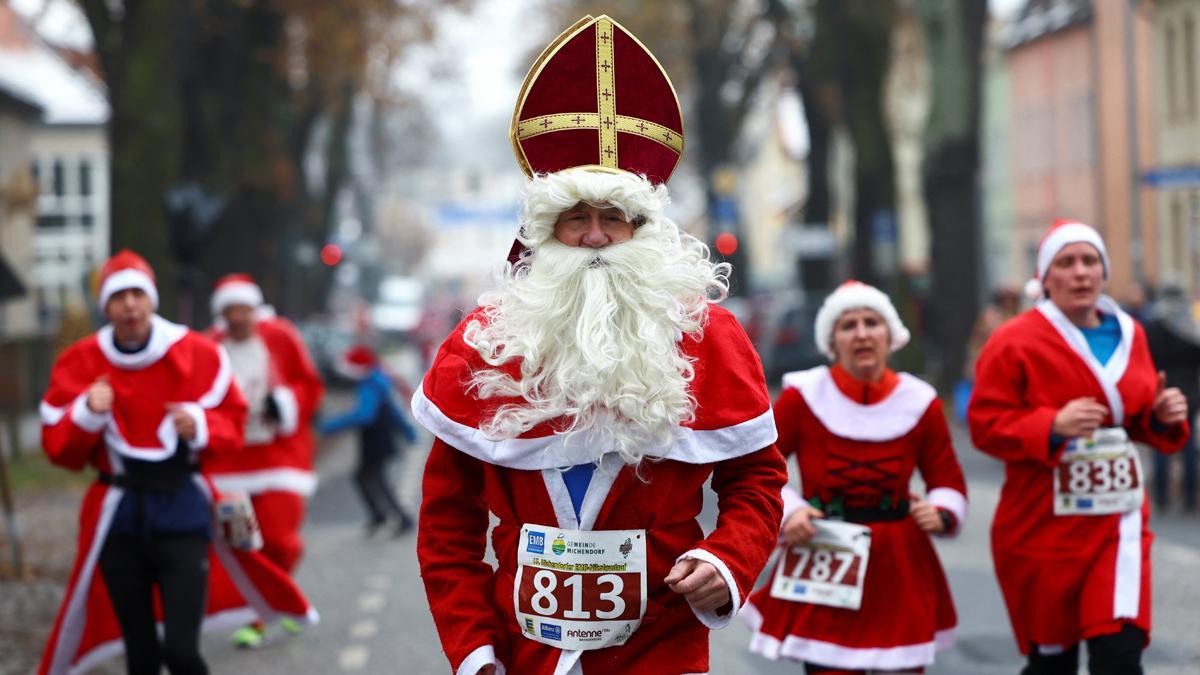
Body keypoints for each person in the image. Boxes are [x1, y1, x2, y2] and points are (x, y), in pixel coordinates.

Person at [412, 15, 787, 675]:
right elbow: (448, 522)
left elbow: (754, 478)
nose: (593, 238)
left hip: (660, 648)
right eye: (574, 219)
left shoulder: (709, 337)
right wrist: (472, 647)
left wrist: (726, 559)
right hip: (523, 651)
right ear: (544, 235)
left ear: (642, 229)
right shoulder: (488, 343)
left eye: (612, 218)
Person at [37, 250, 316, 675]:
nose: (130, 304)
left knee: (183, 654)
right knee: (142, 657)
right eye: (119, 296)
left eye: (137, 294)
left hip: (182, 512)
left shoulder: (197, 353)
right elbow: (59, 449)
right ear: (106, 307)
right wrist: (87, 414)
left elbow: (232, 422)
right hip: (119, 517)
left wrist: (202, 425)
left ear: (151, 301)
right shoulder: (81, 362)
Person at [968, 220, 1190, 675]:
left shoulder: (1131, 334)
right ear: (1045, 277)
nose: (1081, 273)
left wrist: (1161, 415)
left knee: (1119, 656)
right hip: (1041, 525)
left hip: (1117, 522)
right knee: (1053, 664)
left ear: (1104, 272)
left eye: (1090, 261)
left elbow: (1137, 415)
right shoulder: (1013, 341)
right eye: (1066, 263)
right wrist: (1052, 423)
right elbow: (984, 425)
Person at [743, 281, 967, 674]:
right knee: (830, 666)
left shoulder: (920, 401)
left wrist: (943, 510)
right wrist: (790, 512)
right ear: (833, 341)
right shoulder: (804, 396)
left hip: (899, 558)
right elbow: (760, 468)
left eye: (872, 322)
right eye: (848, 325)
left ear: (890, 335)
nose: (861, 333)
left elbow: (946, 479)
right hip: (825, 548)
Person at [204, 273, 326, 647]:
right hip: (229, 467)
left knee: (281, 542)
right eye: (230, 310)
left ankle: (279, 603)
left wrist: (286, 402)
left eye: (244, 308)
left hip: (278, 463)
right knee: (243, 546)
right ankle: (262, 616)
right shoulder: (210, 347)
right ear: (222, 314)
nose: (238, 317)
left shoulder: (280, 336)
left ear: (254, 309)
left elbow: (310, 386)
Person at [319, 344, 418, 535]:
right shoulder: (377, 378)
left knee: (371, 477)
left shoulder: (370, 383)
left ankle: (396, 518)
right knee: (368, 477)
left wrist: (329, 426)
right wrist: (407, 432)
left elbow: (364, 415)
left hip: (376, 439)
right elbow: (394, 411)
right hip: (380, 437)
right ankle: (384, 516)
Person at [1142, 279, 1200, 512]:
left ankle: (1163, 497)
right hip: (1190, 394)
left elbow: (1146, 358)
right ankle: (1188, 498)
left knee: (1161, 445)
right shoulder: (1192, 327)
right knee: (1188, 445)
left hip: (1162, 392)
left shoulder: (1152, 327)